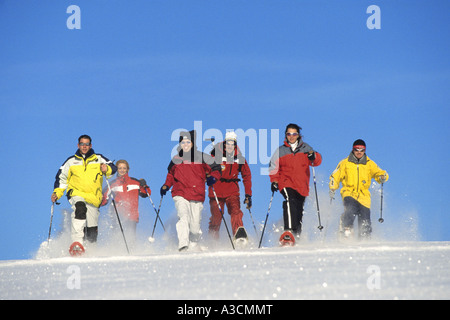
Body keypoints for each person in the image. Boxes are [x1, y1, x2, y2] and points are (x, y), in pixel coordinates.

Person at [51, 134, 117, 256]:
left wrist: (106, 169)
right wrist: (57, 193)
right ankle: (76, 243)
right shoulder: (71, 161)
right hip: (76, 193)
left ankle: (90, 252)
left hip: (93, 197)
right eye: (82, 144)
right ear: (78, 145)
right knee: (80, 208)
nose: (84, 146)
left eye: (87, 144)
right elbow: (62, 178)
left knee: (91, 231)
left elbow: (113, 168)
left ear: (90, 145)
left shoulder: (98, 158)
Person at [160, 130, 221, 251]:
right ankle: (183, 244)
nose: (185, 144)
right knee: (183, 217)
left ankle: (193, 243)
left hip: (197, 194)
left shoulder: (202, 157)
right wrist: (166, 185)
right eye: (183, 142)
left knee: (194, 226)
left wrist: (213, 178)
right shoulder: (176, 159)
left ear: (193, 143)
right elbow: (170, 175)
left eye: (188, 142)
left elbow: (216, 168)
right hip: (180, 193)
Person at [269, 123, 322, 246]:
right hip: (285, 182)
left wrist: (314, 156)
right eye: (289, 134)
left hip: (301, 185)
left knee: (298, 211)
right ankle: (288, 231)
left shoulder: (305, 148)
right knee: (289, 200)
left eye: (294, 134)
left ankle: (296, 237)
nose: (291, 136)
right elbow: (273, 167)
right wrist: (274, 181)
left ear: (298, 135)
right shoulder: (281, 150)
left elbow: (317, 161)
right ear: (286, 135)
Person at [329, 139, 388, 240]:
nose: (359, 152)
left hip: (364, 196)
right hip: (349, 192)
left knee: (365, 218)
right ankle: (346, 229)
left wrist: (383, 176)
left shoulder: (369, 163)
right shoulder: (345, 163)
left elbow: (379, 173)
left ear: (365, 150)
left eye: (362, 150)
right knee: (350, 208)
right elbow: (335, 175)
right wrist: (333, 187)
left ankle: (364, 236)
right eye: (357, 149)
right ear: (353, 150)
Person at [208, 131, 252, 244]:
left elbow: (246, 176)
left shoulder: (239, 158)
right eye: (228, 143)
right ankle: (212, 239)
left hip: (232, 189)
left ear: (235, 144)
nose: (230, 146)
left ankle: (239, 235)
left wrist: (248, 194)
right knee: (216, 216)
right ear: (224, 143)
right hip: (216, 190)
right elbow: (206, 169)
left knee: (235, 211)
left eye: (232, 144)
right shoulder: (215, 155)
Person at [101, 160, 150, 245]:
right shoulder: (112, 184)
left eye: (124, 168)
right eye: (120, 168)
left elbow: (146, 193)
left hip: (132, 216)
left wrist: (144, 185)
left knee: (130, 239)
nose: (122, 170)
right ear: (117, 169)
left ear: (127, 169)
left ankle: (131, 256)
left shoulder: (135, 182)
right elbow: (103, 200)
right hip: (118, 216)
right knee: (118, 239)